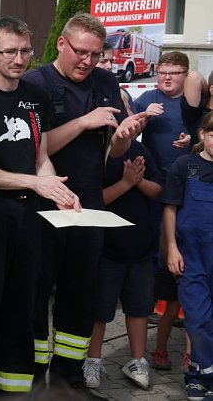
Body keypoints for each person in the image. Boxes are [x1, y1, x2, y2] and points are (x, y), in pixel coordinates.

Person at [0, 17, 80, 400]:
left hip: (30, 219)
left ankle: (13, 394)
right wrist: (35, 182)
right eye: (10, 51)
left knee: (24, 313)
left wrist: (56, 189)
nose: (20, 59)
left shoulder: (36, 97)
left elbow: (39, 155)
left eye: (26, 51)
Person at [22, 12, 144, 396]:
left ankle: (69, 379)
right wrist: (82, 122)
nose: (88, 61)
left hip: (88, 203)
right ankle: (34, 375)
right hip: (43, 202)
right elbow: (30, 150)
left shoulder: (106, 81)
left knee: (80, 293)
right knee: (37, 292)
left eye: (95, 54)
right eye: (80, 52)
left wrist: (124, 135)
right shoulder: (34, 83)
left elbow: (114, 147)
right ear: (61, 43)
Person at [83, 140, 162, 391]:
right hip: (106, 249)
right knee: (101, 309)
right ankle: (93, 360)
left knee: (139, 307)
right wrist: (125, 183)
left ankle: (138, 361)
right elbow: (91, 200)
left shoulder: (141, 150)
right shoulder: (98, 151)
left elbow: (158, 189)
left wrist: (139, 182)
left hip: (140, 247)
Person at [132, 51, 193, 372]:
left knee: (181, 244)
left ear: (185, 74)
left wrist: (190, 140)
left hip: (187, 187)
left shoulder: (191, 104)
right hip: (152, 186)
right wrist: (143, 118)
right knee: (156, 244)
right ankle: (155, 301)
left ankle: (176, 303)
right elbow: (125, 131)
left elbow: (204, 137)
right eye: (163, 71)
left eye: (174, 72)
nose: (167, 77)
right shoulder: (146, 98)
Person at [163, 111, 213, 401]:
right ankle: (206, 373)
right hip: (192, 257)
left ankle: (198, 377)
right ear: (202, 135)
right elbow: (170, 209)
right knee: (196, 320)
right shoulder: (185, 166)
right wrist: (171, 247)